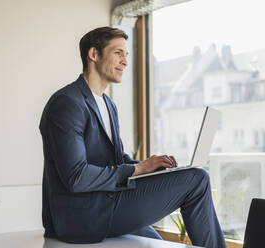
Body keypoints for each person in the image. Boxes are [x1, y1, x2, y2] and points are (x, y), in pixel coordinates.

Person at [39, 26, 227, 248]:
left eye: (126, 55)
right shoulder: (68, 103)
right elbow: (76, 177)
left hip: (107, 204)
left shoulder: (108, 105)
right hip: (82, 217)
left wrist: (151, 169)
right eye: (118, 53)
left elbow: (116, 161)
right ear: (93, 54)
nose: (125, 62)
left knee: (159, 243)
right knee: (197, 179)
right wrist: (138, 170)